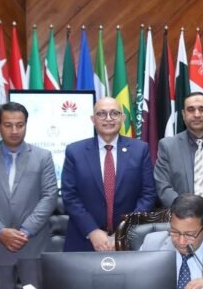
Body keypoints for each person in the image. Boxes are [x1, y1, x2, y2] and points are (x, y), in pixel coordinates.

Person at [0, 102, 58, 289]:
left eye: (20, 125)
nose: (15, 130)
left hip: (33, 247)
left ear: (26, 125)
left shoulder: (43, 157)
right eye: (8, 125)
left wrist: (25, 232)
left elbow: (49, 197)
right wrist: (0, 232)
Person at [60, 96, 155, 252]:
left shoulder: (140, 150)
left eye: (114, 113)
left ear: (123, 118)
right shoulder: (75, 152)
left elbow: (148, 194)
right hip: (84, 240)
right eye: (101, 114)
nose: (108, 118)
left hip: (129, 240)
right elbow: (69, 196)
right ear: (93, 119)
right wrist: (92, 231)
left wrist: (124, 231)